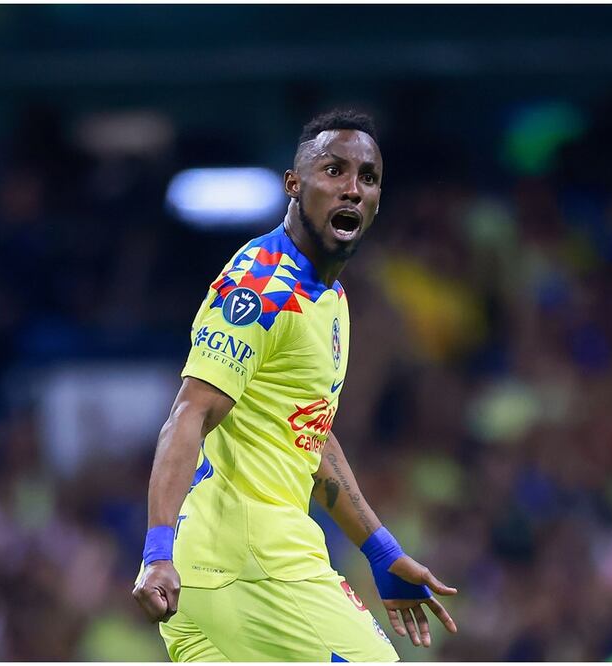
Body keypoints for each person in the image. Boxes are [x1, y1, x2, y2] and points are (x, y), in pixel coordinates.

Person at [132, 109, 458, 661]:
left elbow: (306, 431)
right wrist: (156, 552)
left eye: (368, 177)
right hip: (250, 561)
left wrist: (380, 550)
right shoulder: (260, 286)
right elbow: (188, 412)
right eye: (334, 171)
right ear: (294, 184)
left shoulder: (330, 296)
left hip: (219, 577)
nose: (352, 188)